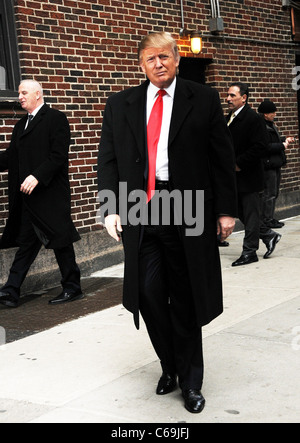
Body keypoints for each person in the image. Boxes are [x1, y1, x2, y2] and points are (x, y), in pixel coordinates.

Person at [98, 32, 237, 414]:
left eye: (164, 56)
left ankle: (190, 381)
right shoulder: (120, 104)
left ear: (176, 59)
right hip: (140, 208)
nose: (157, 64)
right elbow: (108, 159)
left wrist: (226, 211)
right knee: (147, 293)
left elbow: (221, 158)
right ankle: (169, 365)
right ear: (140, 65)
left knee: (187, 295)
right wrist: (110, 207)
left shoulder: (203, 99)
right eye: (149, 59)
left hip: (188, 206)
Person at [0, 79, 83, 308]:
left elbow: (58, 156)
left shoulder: (55, 119)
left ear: (38, 94)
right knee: (27, 244)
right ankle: (10, 291)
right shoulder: (21, 125)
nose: (20, 97)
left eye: (24, 92)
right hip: (28, 199)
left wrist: (37, 176)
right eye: (18, 93)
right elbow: (11, 157)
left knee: (61, 243)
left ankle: (72, 288)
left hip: (50, 196)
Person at [226, 82, 282, 266]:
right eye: (228, 95)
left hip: (248, 175)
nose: (228, 99)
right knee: (241, 212)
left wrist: (239, 163)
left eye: (232, 96)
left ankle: (250, 252)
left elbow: (261, 146)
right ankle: (268, 235)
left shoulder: (253, 118)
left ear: (244, 97)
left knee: (250, 215)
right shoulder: (231, 116)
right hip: (235, 176)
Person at [258, 99, 293, 229]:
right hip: (268, 165)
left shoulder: (270, 124)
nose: (275, 114)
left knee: (274, 192)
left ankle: (270, 218)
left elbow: (273, 140)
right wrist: (282, 146)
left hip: (275, 163)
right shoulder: (262, 127)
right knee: (269, 193)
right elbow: (265, 146)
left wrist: (284, 139)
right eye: (272, 112)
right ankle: (267, 220)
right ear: (265, 114)